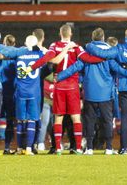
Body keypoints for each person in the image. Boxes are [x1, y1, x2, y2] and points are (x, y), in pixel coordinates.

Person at [56, 27, 127, 155]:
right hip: (105, 94)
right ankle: (109, 148)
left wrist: (59, 76)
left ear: (92, 38)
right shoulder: (108, 54)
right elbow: (118, 69)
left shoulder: (86, 54)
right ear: (103, 38)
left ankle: (89, 148)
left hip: (89, 94)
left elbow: (74, 67)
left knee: (89, 122)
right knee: (107, 122)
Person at [28, 23, 104, 154]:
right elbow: (88, 59)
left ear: (60, 34)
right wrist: (104, 57)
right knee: (75, 118)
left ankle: (57, 148)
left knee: (58, 118)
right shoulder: (77, 47)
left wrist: (31, 67)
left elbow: (46, 58)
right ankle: (78, 147)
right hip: (73, 87)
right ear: (71, 34)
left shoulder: (54, 46)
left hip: (59, 86)